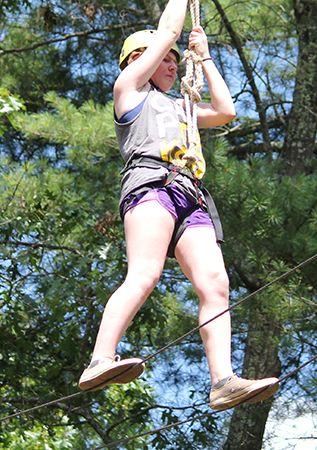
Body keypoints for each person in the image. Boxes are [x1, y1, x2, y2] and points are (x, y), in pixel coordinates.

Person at [77, 0, 279, 411]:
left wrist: (204, 59)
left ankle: (222, 381)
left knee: (216, 284)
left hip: (192, 194)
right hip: (152, 183)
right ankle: (100, 359)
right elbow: (169, 30)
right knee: (145, 274)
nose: (172, 65)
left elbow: (224, 111)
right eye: (165, 60)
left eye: (174, 61)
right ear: (139, 60)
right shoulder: (128, 91)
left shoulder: (181, 105)